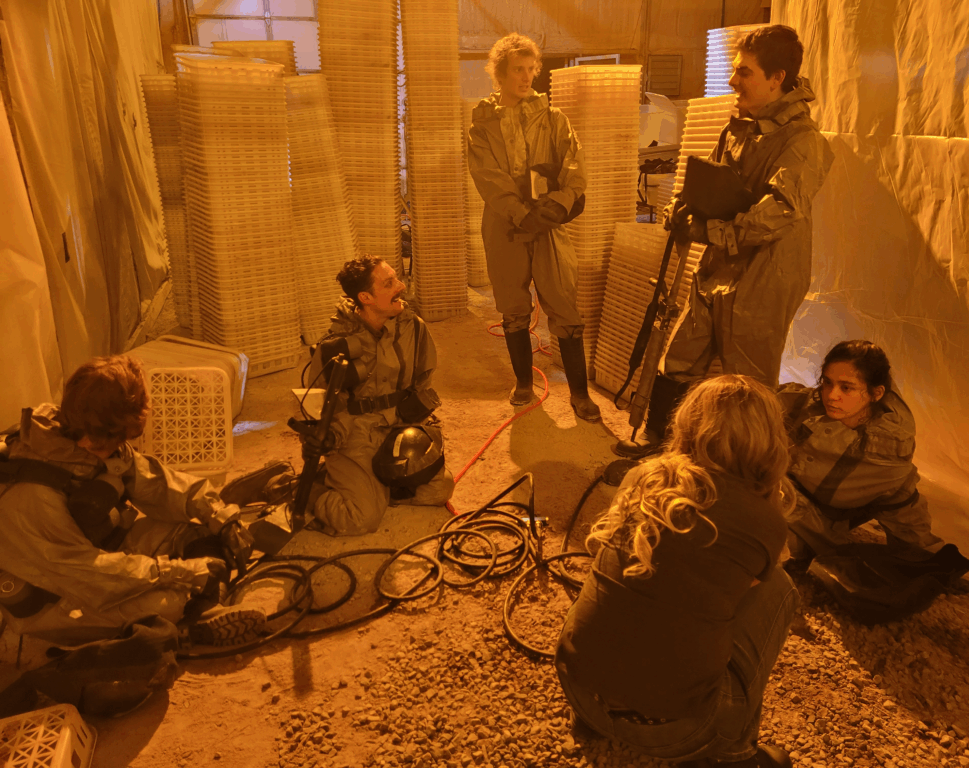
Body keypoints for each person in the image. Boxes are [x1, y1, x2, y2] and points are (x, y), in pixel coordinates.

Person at [556, 375, 798, 768]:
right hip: (677, 732)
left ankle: (593, 718)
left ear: (687, 424)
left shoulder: (644, 475)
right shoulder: (765, 521)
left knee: (642, 580)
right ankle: (736, 754)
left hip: (579, 689)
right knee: (779, 588)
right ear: (770, 441)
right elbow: (745, 593)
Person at [617, 25, 834, 458]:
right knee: (680, 355)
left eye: (744, 73)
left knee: (747, 384)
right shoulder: (738, 129)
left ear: (777, 78)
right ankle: (662, 445)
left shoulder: (803, 143)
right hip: (718, 267)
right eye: (735, 71)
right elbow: (705, 182)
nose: (733, 81)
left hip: (765, 275)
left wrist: (711, 232)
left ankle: (745, 467)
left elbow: (778, 212)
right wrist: (680, 208)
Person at [0, 356, 263, 647]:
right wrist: (179, 572)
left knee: (195, 535)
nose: (114, 446)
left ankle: (202, 610)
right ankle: (187, 628)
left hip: (100, 553)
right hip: (58, 592)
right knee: (169, 602)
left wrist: (221, 517)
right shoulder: (32, 494)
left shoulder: (87, 437)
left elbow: (159, 484)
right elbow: (86, 574)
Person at [467, 32, 600, 422]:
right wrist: (519, 212)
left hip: (548, 225)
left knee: (564, 303)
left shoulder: (554, 119)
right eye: (517, 70)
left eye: (530, 69)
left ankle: (579, 394)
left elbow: (575, 166)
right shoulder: (483, 125)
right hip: (504, 225)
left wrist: (558, 205)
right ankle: (524, 383)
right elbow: (488, 176)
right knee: (512, 306)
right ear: (500, 74)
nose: (526, 78)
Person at [299, 255, 455, 536]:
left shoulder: (413, 327)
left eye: (396, 279)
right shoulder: (335, 346)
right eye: (389, 283)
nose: (401, 286)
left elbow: (423, 379)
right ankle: (303, 487)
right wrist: (331, 438)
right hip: (355, 433)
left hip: (398, 425)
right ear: (365, 298)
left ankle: (372, 483)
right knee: (361, 518)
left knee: (439, 489)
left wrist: (419, 420)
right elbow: (322, 406)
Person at [778, 340, 943, 557]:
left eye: (846, 388)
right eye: (827, 382)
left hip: (812, 525)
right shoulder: (808, 406)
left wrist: (928, 558)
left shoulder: (885, 451)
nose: (831, 395)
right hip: (777, 496)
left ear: (876, 393)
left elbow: (902, 501)